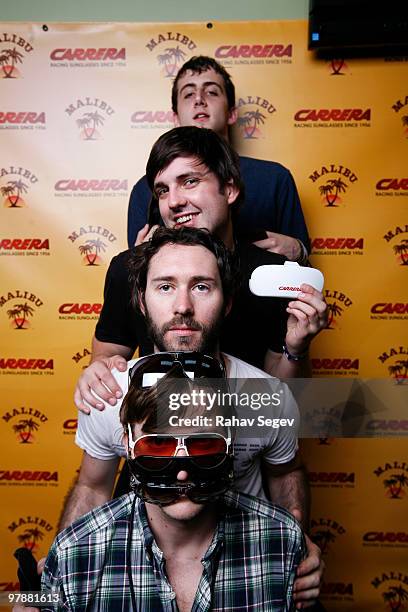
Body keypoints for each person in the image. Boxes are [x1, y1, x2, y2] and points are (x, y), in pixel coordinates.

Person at [64, 228, 322, 609]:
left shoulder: (269, 395)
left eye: (201, 287)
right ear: (141, 299)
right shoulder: (108, 394)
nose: (182, 305)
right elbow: (93, 487)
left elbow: (285, 473)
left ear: (227, 302)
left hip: (245, 568)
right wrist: (61, 570)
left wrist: (293, 549)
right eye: (165, 287)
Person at [76, 126, 327, 414]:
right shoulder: (129, 268)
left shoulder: (274, 275)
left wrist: (296, 349)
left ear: (230, 189)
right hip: (155, 434)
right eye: (163, 190)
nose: (173, 201)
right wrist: (99, 370)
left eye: (190, 181)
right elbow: (107, 353)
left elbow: (284, 397)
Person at [42, 355, 306, 611]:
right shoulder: (72, 552)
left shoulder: (283, 542)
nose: (181, 474)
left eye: (203, 442)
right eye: (157, 444)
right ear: (128, 444)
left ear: (230, 442)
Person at [128, 55, 310, 262]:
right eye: (188, 94)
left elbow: (305, 271)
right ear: (175, 118)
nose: (199, 100)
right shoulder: (145, 188)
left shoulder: (274, 178)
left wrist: (300, 250)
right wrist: (140, 259)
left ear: (232, 113)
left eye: (212, 92)